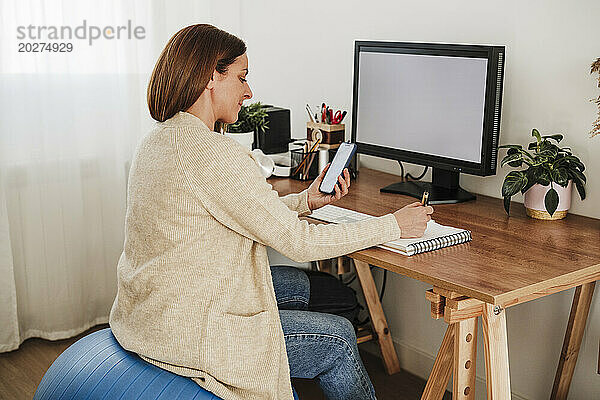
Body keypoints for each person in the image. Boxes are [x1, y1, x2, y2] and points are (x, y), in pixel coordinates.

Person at [109, 24, 434, 400]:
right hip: (188, 328)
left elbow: (234, 210)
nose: (249, 92)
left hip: (152, 309)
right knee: (340, 339)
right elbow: (300, 243)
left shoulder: (161, 138)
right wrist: (394, 225)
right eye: (242, 77)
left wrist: (305, 200)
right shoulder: (214, 153)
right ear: (210, 77)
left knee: (295, 286)